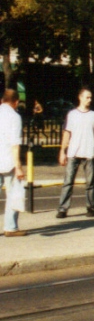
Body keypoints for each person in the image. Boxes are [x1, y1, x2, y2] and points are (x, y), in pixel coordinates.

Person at [57, 88, 94, 218]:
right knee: (68, 182)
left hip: (89, 152)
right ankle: (63, 209)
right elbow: (66, 133)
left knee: (91, 183)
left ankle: (91, 208)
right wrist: (62, 151)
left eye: (91, 97)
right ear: (80, 97)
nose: (89, 100)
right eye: (87, 97)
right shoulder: (72, 114)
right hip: (73, 153)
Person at [0, 89, 26, 237]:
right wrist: (19, 167)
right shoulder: (14, 117)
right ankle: (10, 227)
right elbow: (15, 144)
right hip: (8, 161)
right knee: (13, 193)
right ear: (16, 102)